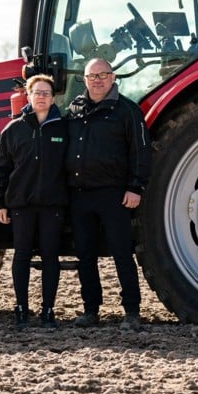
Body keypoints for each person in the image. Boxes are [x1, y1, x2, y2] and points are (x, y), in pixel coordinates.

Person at [66, 57, 152, 332]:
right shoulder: (75, 109)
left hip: (114, 195)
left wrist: (135, 187)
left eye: (103, 75)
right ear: (85, 79)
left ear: (113, 78)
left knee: (121, 253)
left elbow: (140, 151)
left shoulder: (126, 110)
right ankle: (91, 310)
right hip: (80, 195)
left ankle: (132, 312)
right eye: (92, 76)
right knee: (85, 255)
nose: (97, 80)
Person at [0, 74, 68, 330]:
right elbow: (2, 170)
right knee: (22, 255)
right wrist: (1, 203)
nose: (42, 97)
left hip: (52, 205)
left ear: (54, 97)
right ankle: (21, 309)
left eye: (46, 93)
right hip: (21, 204)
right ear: (28, 95)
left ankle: (48, 311)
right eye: (37, 92)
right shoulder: (13, 130)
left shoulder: (63, 128)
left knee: (50, 256)